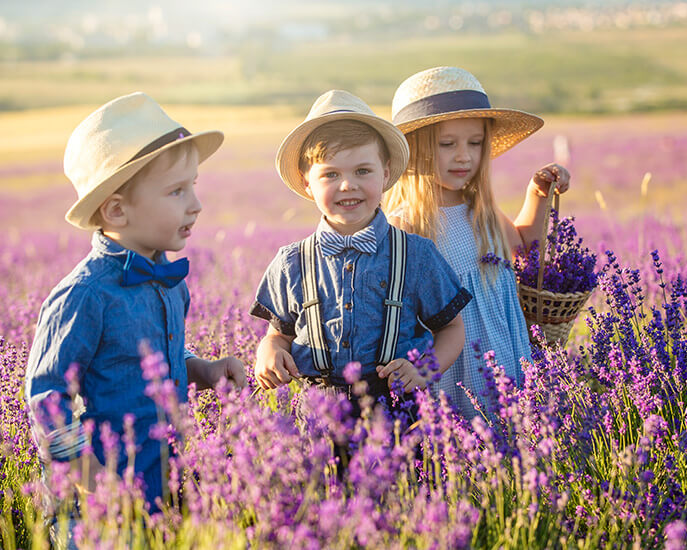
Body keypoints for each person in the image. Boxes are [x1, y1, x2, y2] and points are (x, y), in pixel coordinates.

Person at [25, 92, 248, 524]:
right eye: (176, 191)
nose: (196, 204)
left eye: (194, 186)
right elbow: (45, 396)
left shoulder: (169, 283)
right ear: (117, 210)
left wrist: (202, 369)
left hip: (163, 491)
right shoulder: (85, 296)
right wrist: (89, 474)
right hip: (99, 508)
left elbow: (159, 355)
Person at [251, 90, 470, 421]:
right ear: (306, 182)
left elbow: (452, 328)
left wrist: (424, 370)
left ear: (385, 174)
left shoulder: (416, 255)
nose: (347, 185)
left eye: (362, 171)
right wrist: (267, 352)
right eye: (331, 174)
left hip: (397, 409)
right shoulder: (291, 262)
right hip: (320, 415)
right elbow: (279, 334)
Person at [384, 66, 571, 420]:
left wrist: (538, 193)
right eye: (447, 144)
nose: (464, 156)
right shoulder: (406, 224)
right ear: (415, 150)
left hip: (506, 355)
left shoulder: (479, 210)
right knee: (466, 449)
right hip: (457, 368)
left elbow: (525, 248)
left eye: (475, 143)